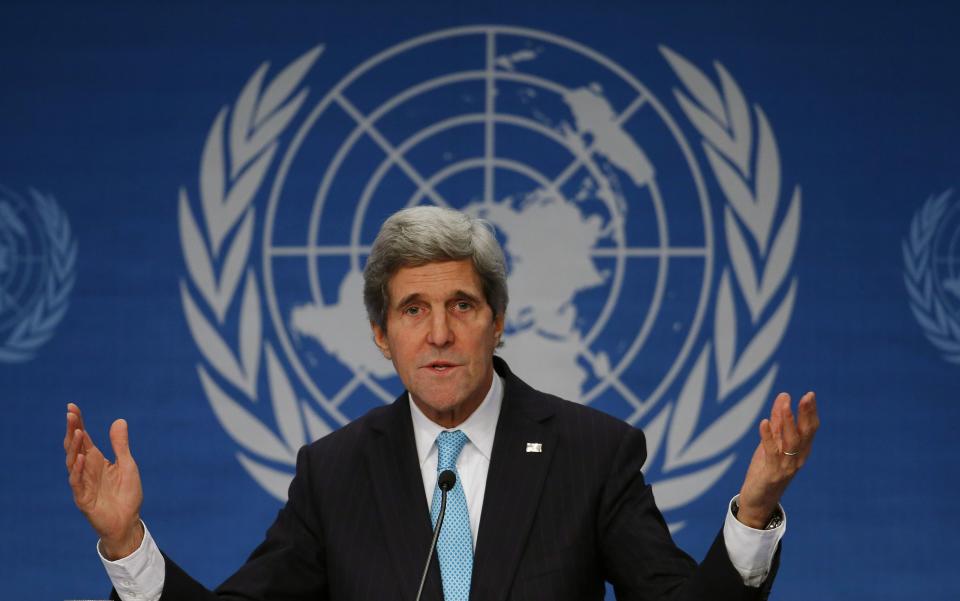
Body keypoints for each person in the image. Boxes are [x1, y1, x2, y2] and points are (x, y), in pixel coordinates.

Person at [64, 206, 819, 600]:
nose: (440, 333)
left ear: (498, 318)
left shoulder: (593, 452)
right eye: (412, 310)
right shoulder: (335, 472)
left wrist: (751, 516)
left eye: (462, 304)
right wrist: (130, 543)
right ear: (379, 334)